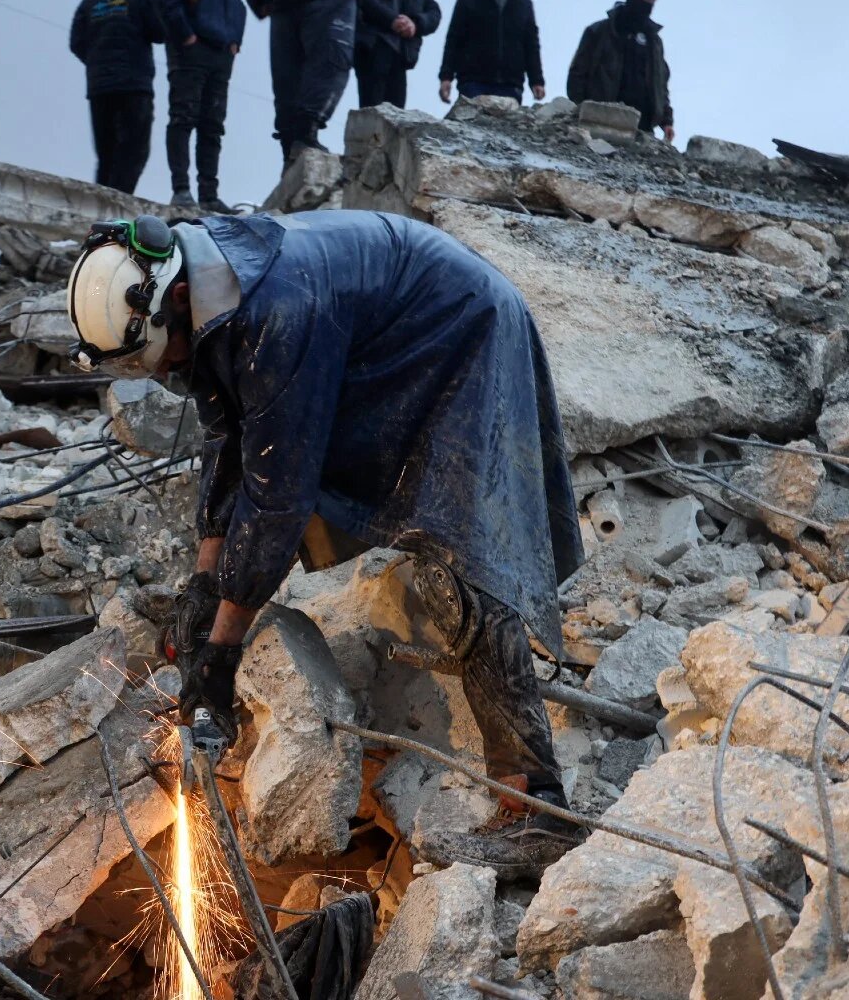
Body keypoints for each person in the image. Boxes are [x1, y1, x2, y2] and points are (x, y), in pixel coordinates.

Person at [65, 209, 585, 879]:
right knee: (420, 545)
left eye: (161, 355)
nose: (167, 369)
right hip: (393, 331)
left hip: (464, 327)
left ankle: (537, 812)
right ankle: (530, 806)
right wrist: (203, 582)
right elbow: (228, 442)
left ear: (178, 300)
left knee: (462, 562)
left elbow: (278, 495)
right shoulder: (203, 294)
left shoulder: (277, 309)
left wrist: (221, 650)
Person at [239, 0, 359, 163]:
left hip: (282, 4)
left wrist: (259, 3)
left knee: (287, 82)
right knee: (330, 65)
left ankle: (290, 154)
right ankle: (306, 135)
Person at [149, 0, 247, 212]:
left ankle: (209, 194)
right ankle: (181, 189)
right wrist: (185, 33)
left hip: (222, 50)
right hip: (190, 45)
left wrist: (235, 39)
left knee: (213, 125)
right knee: (183, 116)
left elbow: (236, 2)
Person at [70, 0, 166, 194]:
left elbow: (76, 42)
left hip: (99, 87)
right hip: (134, 84)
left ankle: (100, 211)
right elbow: (159, 31)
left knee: (106, 155)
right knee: (135, 150)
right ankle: (118, 207)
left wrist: (98, 63)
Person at [436, 0, 544, 106]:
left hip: (511, 85)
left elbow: (531, 43)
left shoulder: (524, 4)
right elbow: (454, 40)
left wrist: (537, 81)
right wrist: (446, 77)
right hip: (473, 83)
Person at [566, 0, 674, 142]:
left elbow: (660, 82)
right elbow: (578, 72)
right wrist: (581, 109)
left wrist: (666, 121)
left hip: (643, 129)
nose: (646, 7)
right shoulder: (600, 32)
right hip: (600, 123)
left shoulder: (654, 42)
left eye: (651, 2)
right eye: (643, 0)